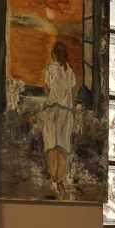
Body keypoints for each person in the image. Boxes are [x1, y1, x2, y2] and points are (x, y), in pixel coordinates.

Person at [35, 40, 80, 197]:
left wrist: (51, 92)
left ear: (53, 55)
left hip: (53, 110)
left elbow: (47, 89)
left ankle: (54, 179)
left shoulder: (50, 69)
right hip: (66, 113)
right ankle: (60, 180)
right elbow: (72, 90)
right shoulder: (70, 71)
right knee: (63, 147)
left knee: (51, 145)